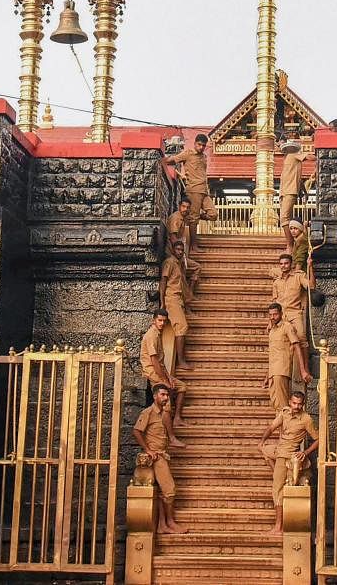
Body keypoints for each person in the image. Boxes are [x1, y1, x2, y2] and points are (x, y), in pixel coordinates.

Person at [259, 391, 319, 536]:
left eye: (299, 404)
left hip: (287, 456)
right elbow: (271, 427)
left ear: (303, 404)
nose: (296, 406)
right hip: (278, 450)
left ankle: (278, 527)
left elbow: (318, 439)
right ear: (289, 401)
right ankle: (277, 472)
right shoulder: (285, 412)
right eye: (294, 403)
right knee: (264, 450)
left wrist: (305, 453)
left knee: (277, 490)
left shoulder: (306, 419)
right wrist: (261, 442)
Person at [133, 385, 188, 535]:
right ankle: (170, 522)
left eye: (167, 395)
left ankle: (162, 525)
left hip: (163, 454)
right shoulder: (148, 412)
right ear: (155, 396)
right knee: (169, 490)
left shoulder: (163, 413)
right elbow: (136, 431)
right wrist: (148, 449)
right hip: (156, 457)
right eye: (163, 395)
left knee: (161, 492)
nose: (166, 398)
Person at [139, 309, 187, 442]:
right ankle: (171, 438)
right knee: (165, 403)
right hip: (154, 374)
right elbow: (154, 362)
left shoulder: (158, 334)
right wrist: (165, 381)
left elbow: (161, 361)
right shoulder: (151, 336)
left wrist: (169, 377)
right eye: (159, 320)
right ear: (153, 320)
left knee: (182, 386)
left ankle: (177, 418)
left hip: (161, 372)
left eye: (164, 321)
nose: (161, 323)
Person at [163, 133, 216, 244]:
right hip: (194, 190)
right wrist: (161, 159)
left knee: (213, 214)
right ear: (195, 143)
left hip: (204, 191)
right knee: (194, 220)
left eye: (203, 145)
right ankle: (194, 245)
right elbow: (173, 160)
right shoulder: (188, 154)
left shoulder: (204, 157)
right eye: (199, 144)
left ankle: (191, 216)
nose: (201, 147)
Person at [262, 303, 310, 410]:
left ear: (281, 314)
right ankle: (283, 426)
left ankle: (285, 427)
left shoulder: (287, 327)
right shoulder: (272, 331)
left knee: (282, 407)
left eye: (275, 314)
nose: (272, 317)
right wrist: (267, 375)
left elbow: (297, 346)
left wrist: (303, 370)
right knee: (276, 405)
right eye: (270, 315)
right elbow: (273, 354)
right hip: (273, 373)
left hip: (282, 371)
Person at [159, 240, 197, 371]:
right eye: (178, 250)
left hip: (179, 298)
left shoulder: (180, 264)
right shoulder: (169, 262)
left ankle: (181, 360)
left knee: (182, 326)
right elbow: (163, 282)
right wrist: (162, 302)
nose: (180, 252)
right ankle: (181, 361)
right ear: (173, 250)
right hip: (171, 298)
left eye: (182, 250)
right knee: (181, 327)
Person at [271, 252, 312, 363]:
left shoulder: (299, 276)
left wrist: (310, 267)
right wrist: (270, 322)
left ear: (291, 264)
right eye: (281, 264)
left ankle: (306, 370)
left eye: (286, 263)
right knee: (279, 342)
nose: (283, 266)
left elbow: (311, 286)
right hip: (281, 315)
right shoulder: (276, 282)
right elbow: (274, 302)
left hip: (294, 313)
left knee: (302, 339)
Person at [278, 140, 308, 228]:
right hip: (283, 192)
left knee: (284, 218)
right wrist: (305, 192)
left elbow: (310, 157)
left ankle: (289, 242)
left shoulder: (294, 155)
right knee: (287, 218)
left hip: (289, 191)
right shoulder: (287, 160)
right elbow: (299, 179)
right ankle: (292, 240)